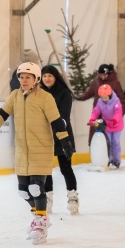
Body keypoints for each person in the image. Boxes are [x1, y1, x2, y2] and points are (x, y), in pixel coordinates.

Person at [0, 62, 74, 245]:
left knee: (36, 188)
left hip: (40, 149)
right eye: (21, 77)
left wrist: (65, 142)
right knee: (24, 191)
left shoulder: (45, 97)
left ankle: (41, 224)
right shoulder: (15, 96)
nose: (23, 80)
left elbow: (57, 121)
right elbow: (3, 111)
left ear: (36, 79)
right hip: (21, 151)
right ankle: (38, 217)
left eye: (28, 77)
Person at [40, 65, 79, 215]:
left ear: (56, 77)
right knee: (45, 169)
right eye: (44, 76)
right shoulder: (39, 93)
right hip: (45, 135)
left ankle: (72, 197)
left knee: (65, 168)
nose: (47, 79)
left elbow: (64, 117)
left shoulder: (64, 93)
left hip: (62, 134)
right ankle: (47, 197)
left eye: (50, 76)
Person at [77, 64, 125, 145]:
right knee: (94, 135)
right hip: (97, 113)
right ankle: (94, 152)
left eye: (104, 75)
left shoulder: (115, 83)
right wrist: (79, 97)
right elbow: (89, 93)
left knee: (107, 138)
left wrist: (120, 113)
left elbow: (121, 98)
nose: (102, 77)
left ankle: (107, 154)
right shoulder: (96, 82)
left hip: (109, 116)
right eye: (100, 74)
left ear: (109, 74)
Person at [88, 84, 124, 168]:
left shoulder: (116, 101)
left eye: (105, 98)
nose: (104, 99)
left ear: (110, 95)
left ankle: (116, 160)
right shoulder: (100, 102)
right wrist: (92, 119)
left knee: (115, 142)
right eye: (102, 97)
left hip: (116, 125)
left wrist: (114, 120)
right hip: (107, 125)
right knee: (108, 143)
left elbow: (118, 112)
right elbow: (96, 111)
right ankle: (109, 159)